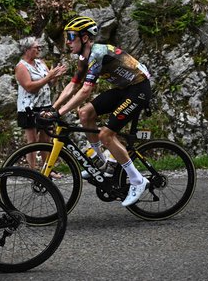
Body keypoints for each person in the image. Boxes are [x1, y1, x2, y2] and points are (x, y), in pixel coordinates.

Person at [45, 16, 152, 207]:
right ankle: (102, 165)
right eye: (66, 37)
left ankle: (138, 180)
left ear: (85, 38)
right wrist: (53, 109)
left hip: (138, 90)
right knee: (85, 114)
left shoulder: (97, 53)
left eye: (71, 36)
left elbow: (86, 90)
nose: (67, 42)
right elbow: (73, 85)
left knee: (106, 134)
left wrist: (60, 114)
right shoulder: (83, 57)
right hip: (123, 90)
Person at [15, 37, 66, 173]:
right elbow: (29, 87)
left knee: (46, 137)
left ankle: (47, 168)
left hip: (45, 104)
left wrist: (55, 77)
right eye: (36, 47)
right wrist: (48, 77)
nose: (39, 49)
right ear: (26, 50)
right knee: (31, 140)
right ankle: (32, 170)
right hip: (28, 107)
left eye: (39, 47)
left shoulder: (40, 63)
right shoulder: (21, 67)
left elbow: (49, 84)